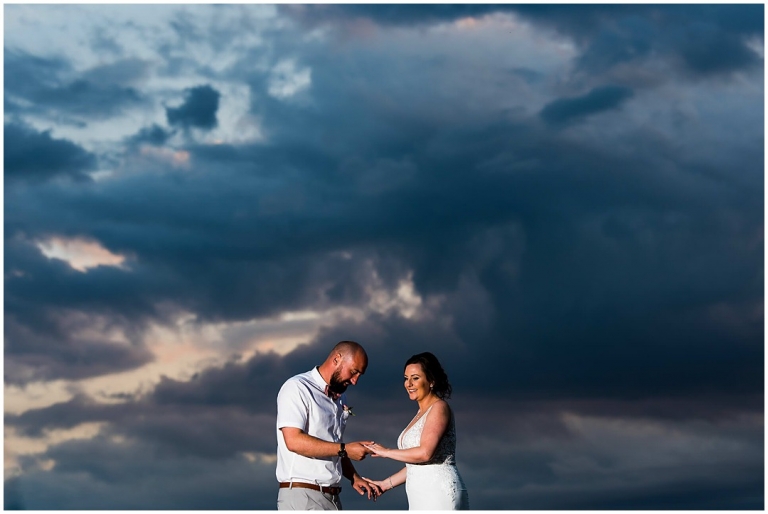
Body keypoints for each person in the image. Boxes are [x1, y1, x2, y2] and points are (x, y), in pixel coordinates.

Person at [276, 340, 383, 510]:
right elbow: (293, 441)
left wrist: (354, 476)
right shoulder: (297, 388)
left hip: (332, 497)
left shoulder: (341, 398)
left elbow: (334, 444)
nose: (355, 381)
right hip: (303, 496)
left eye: (359, 375)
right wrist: (346, 449)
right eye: (354, 372)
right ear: (336, 359)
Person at [362, 352, 469, 510]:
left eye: (415, 378)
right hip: (419, 494)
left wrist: (386, 452)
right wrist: (385, 484)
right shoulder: (420, 414)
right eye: (406, 378)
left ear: (431, 381)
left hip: (438, 492)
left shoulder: (439, 408)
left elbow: (425, 453)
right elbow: (415, 465)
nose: (409, 384)